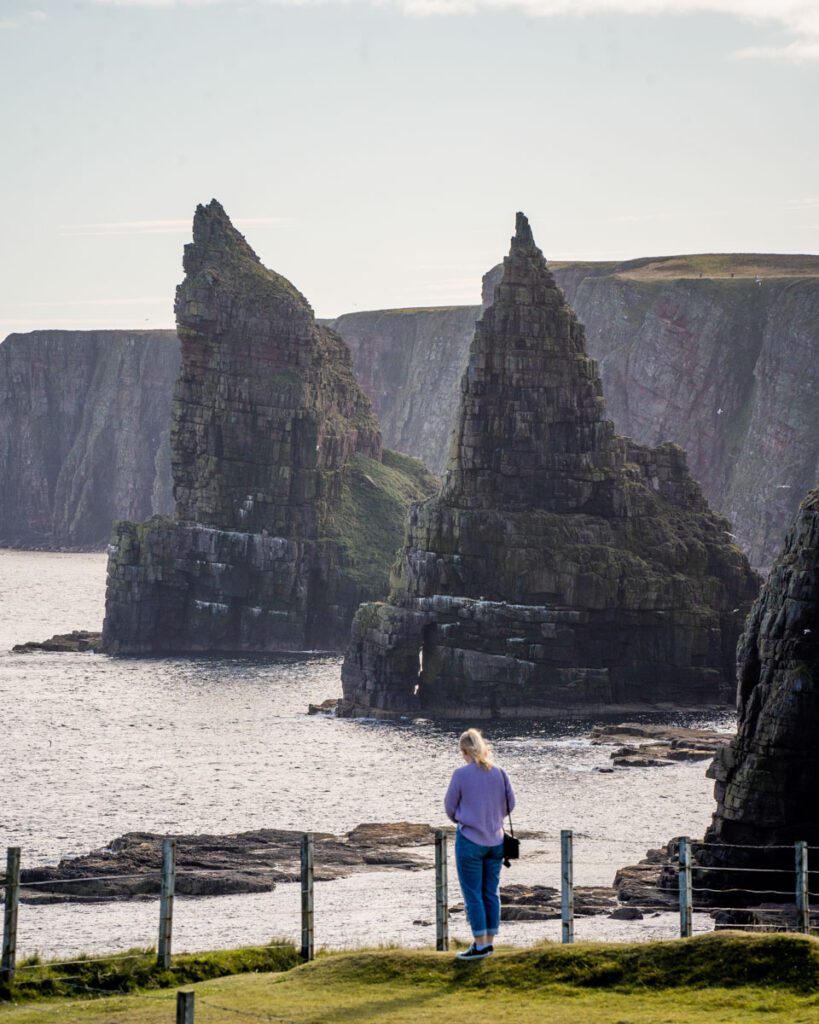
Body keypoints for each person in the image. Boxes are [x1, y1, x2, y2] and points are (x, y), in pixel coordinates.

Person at [444, 728, 515, 961]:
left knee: (472, 894)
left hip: (470, 840)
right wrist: (493, 818)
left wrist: (466, 819)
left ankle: (480, 944)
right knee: (490, 893)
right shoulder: (500, 773)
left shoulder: (461, 774)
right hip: (496, 840)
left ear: (465, 750)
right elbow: (510, 804)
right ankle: (489, 943)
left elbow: (450, 808)